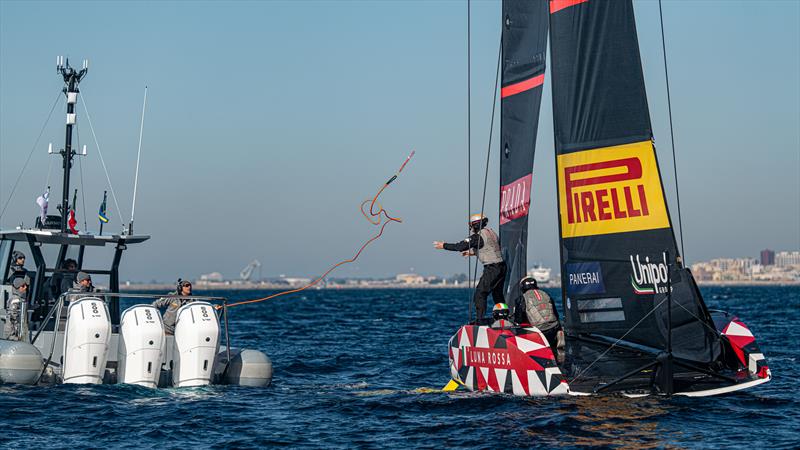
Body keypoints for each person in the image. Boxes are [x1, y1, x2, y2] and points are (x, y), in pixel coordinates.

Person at [434, 213, 506, 320]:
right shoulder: (491, 232)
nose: (471, 228)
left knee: (480, 294)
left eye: (471, 225)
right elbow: (488, 248)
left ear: (475, 225)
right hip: (502, 267)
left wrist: (444, 246)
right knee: (497, 294)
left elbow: (460, 246)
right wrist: (472, 252)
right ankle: (504, 317)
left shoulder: (477, 236)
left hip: (492, 268)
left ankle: (479, 320)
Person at [518, 277, 563, 349]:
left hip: (539, 331)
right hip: (554, 328)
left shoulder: (522, 298)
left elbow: (519, 319)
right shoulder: (546, 294)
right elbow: (556, 314)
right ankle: (558, 335)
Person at [4, 276, 29, 341]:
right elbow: (13, 317)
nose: (25, 287)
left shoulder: (18, 299)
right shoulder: (15, 300)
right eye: (23, 286)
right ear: (18, 288)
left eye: (25, 285)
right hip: (13, 333)